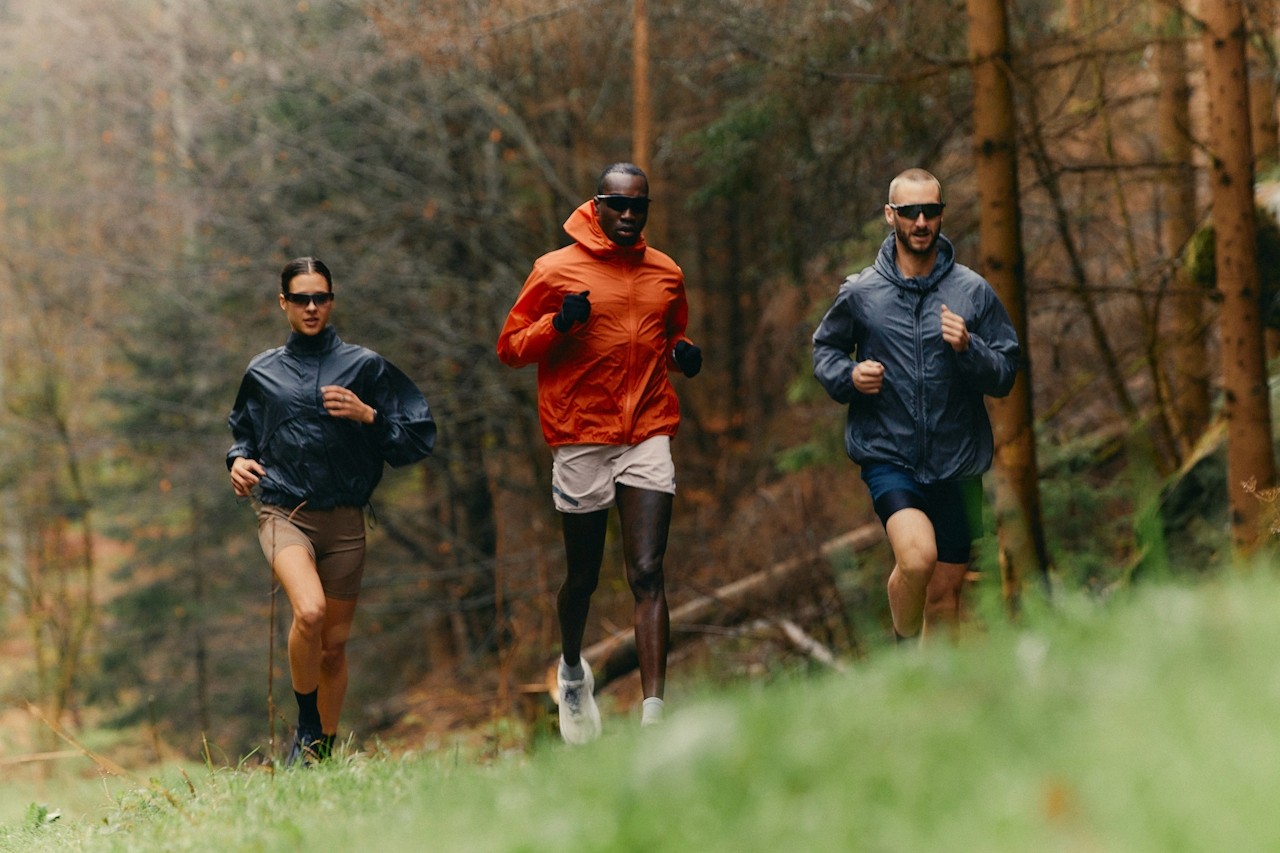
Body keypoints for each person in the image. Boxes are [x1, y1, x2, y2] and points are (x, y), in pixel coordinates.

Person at [497, 163, 702, 743]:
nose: (630, 216)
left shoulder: (666, 271)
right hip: (580, 434)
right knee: (582, 577)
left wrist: (684, 353)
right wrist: (559, 325)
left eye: (640, 207)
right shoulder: (554, 269)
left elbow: (671, 331)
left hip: (647, 429)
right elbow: (510, 347)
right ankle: (570, 671)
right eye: (619, 205)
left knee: (647, 571)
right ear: (598, 204)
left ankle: (653, 714)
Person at [227, 257, 436, 765]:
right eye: (301, 298)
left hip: (344, 522)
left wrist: (369, 416)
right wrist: (236, 462)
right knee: (311, 611)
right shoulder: (263, 370)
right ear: (284, 304)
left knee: (335, 647)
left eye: (321, 297)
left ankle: (320, 753)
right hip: (284, 513)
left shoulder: (366, 366)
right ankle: (305, 723)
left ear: (332, 300)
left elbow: (416, 440)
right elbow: (243, 435)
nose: (313, 307)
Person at [812, 168, 1020, 644]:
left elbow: (1007, 371)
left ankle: (931, 698)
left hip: (959, 460)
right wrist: (849, 376)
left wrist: (970, 347)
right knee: (918, 558)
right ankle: (904, 649)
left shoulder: (972, 291)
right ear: (891, 216)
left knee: (945, 597)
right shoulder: (862, 293)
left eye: (931, 211)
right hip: (891, 454)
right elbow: (825, 350)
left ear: (941, 215)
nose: (921, 221)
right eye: (910, 212)